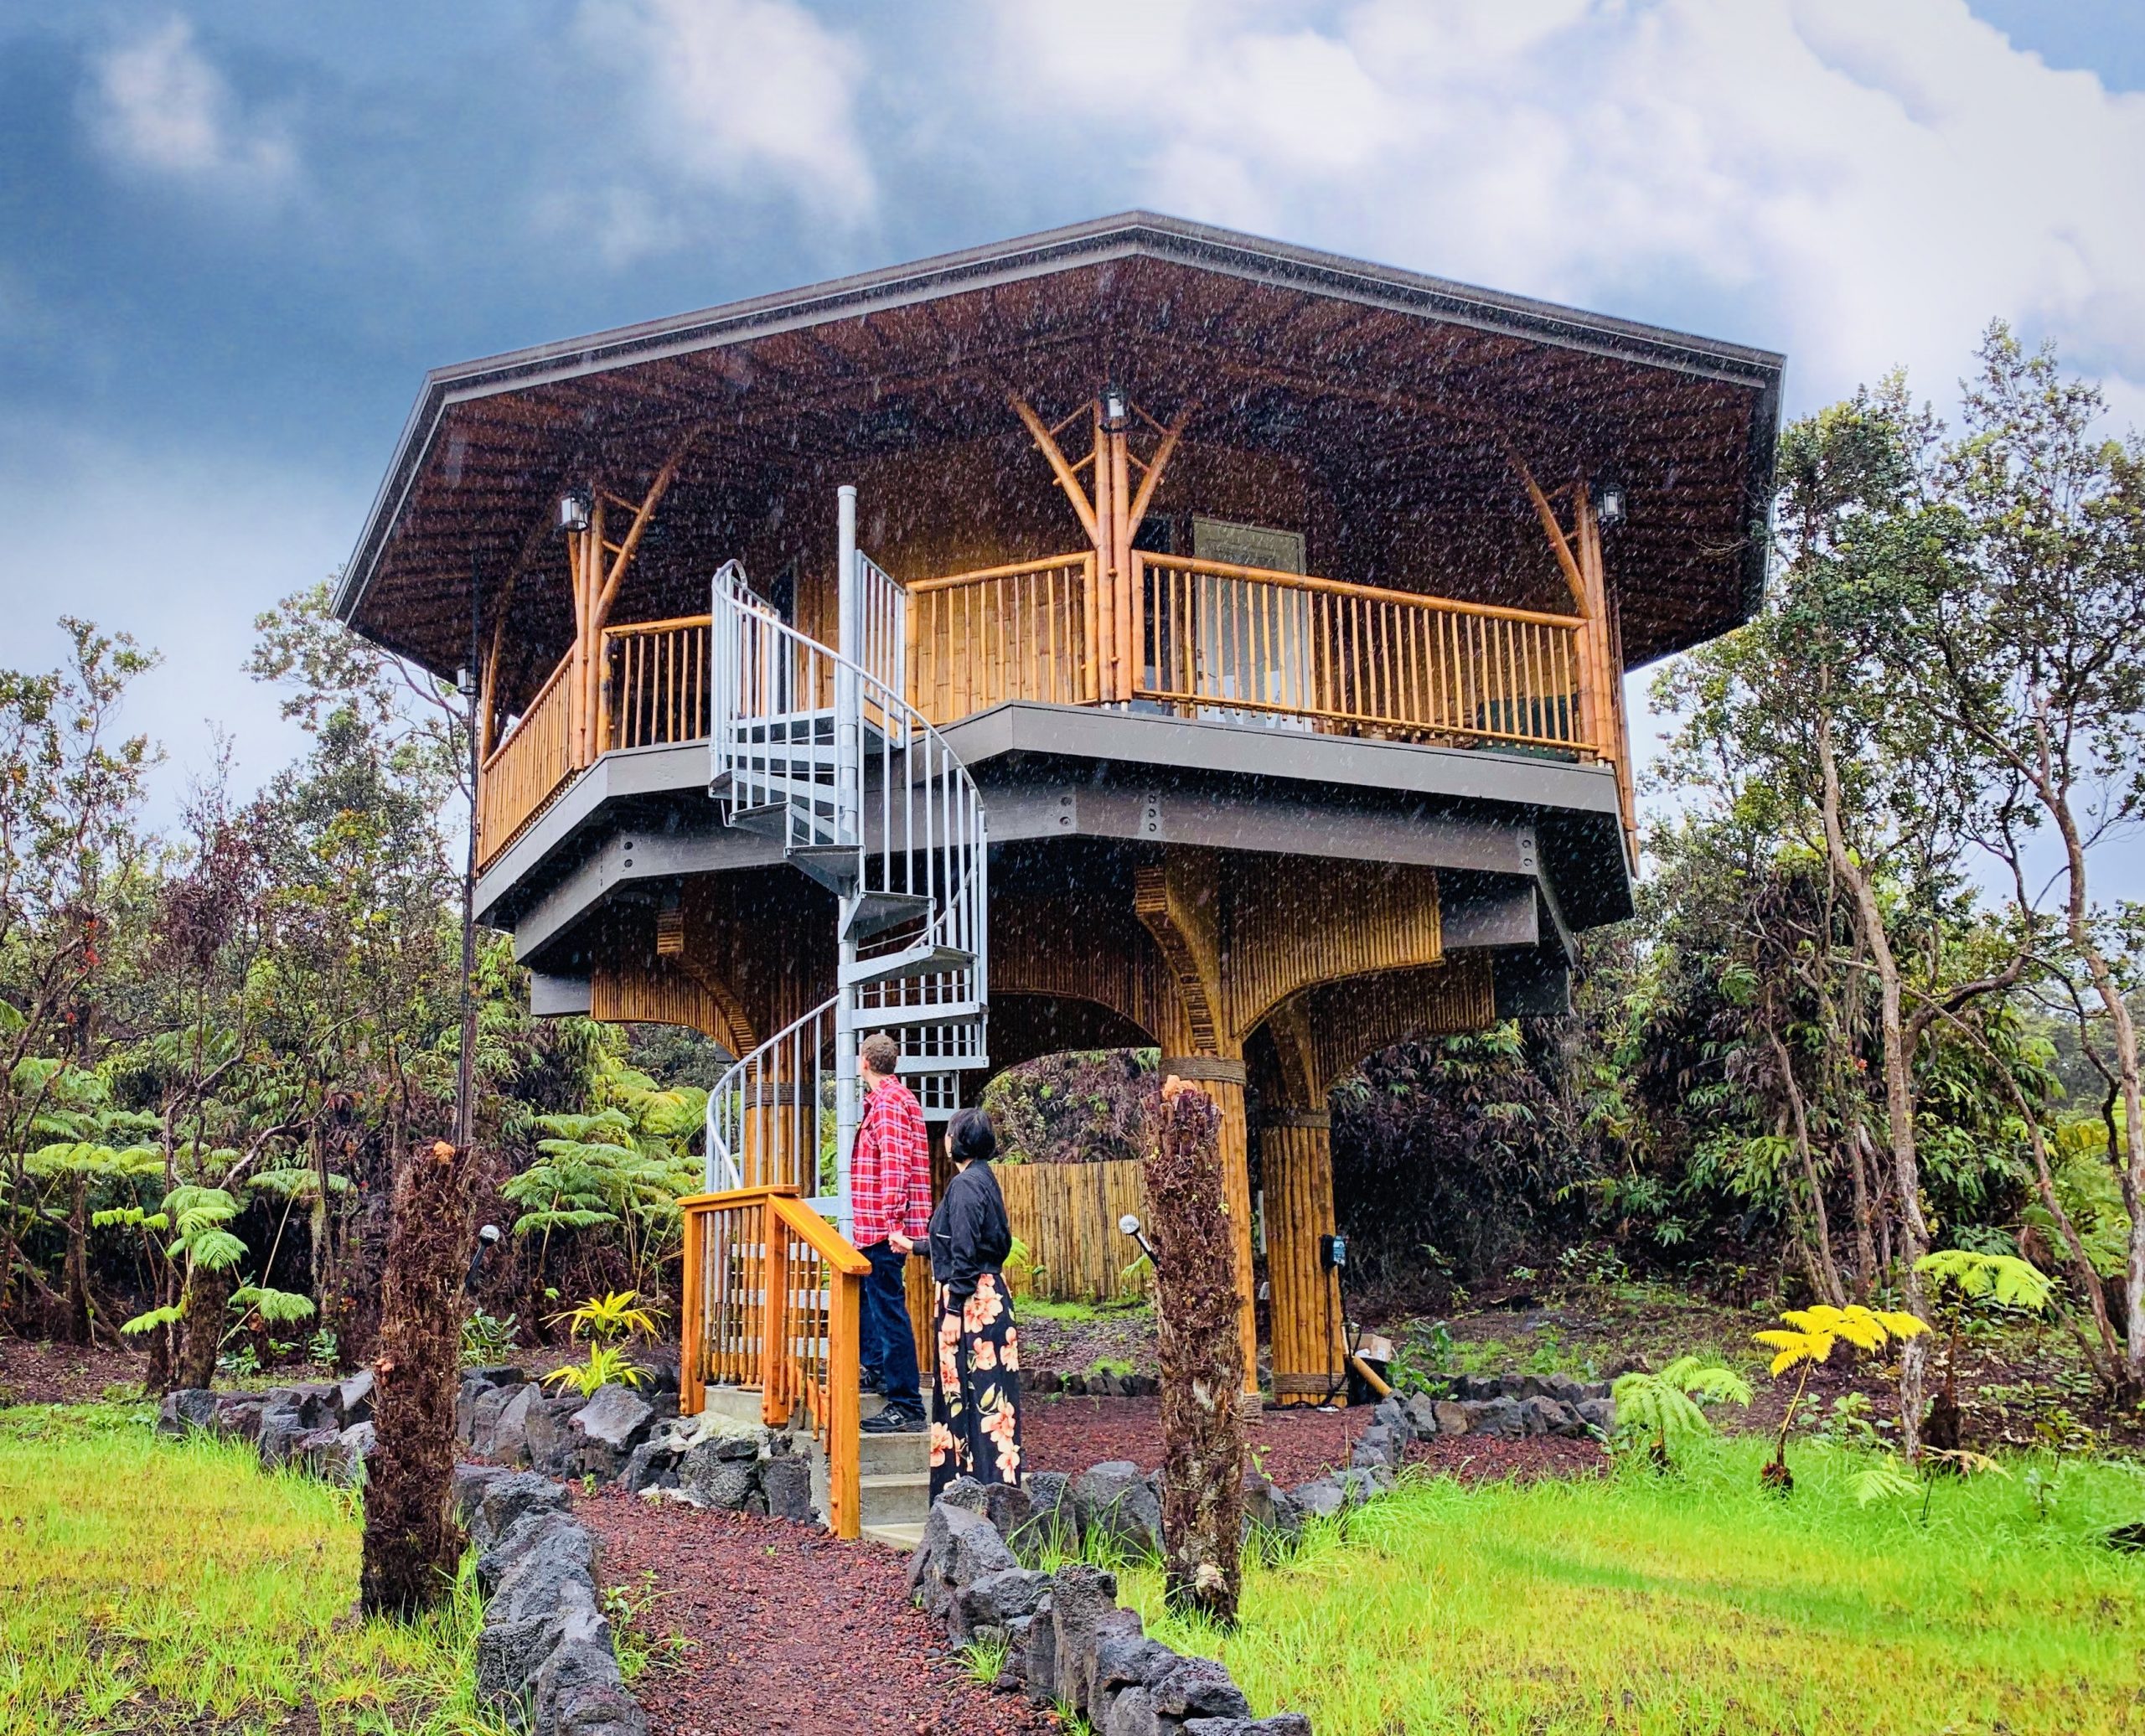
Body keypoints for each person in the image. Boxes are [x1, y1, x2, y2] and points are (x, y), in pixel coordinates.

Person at [927, 1107, 1023, 1497]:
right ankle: (998, 1496)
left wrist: (953, 1311)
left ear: (958, 1141)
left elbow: (965, 1251)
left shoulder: (965, 1186)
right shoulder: (984, 1178)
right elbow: (971, 1242)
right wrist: (917, 1245)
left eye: (950, 1133)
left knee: (971, 1400)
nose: (946, 1139)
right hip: (991, 1295)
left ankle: (971, 1499)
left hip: (970, 1305)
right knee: (994, 1402)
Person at [853, 1030, 931, 1434]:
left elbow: (897, 1166)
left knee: (888, 1308)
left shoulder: (888, 1103)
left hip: (884, 1229)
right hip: (874, 1228)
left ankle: (906, 1403)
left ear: (863, 1062)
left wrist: (893, 1224)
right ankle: (880, 1371)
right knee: (872, 1301)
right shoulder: (896, 1100)